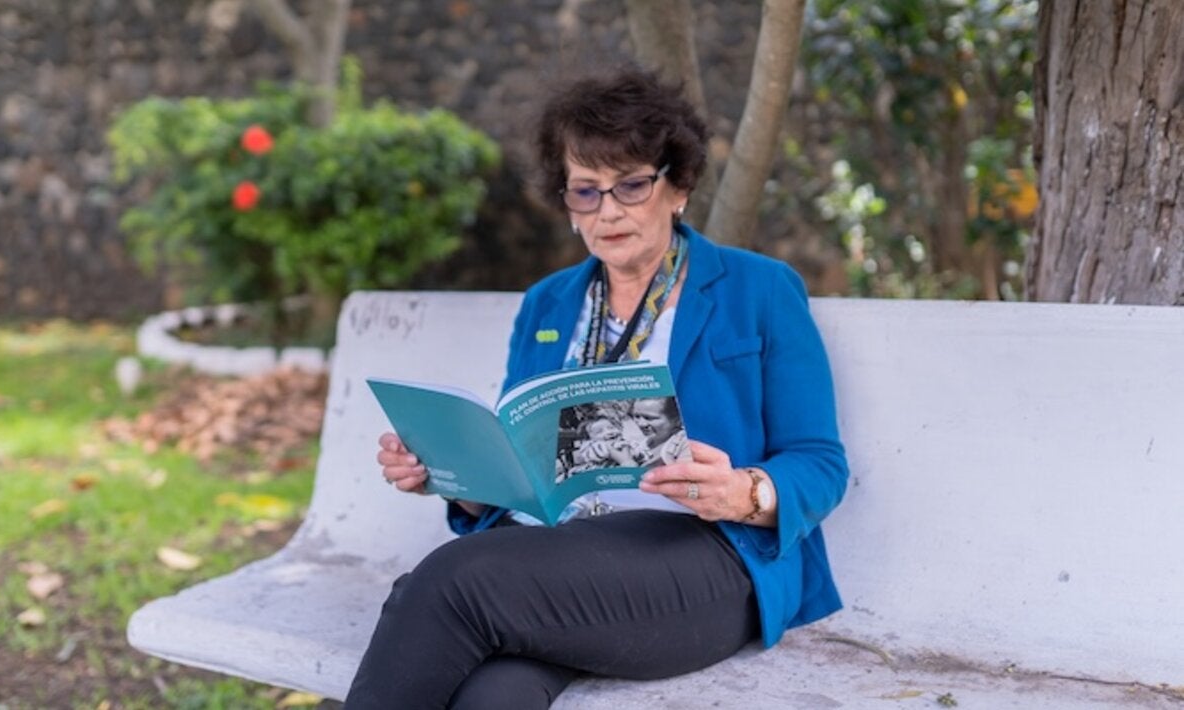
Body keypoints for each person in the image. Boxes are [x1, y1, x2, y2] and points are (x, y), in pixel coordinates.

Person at [346, 67, 848, 709]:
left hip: (702, 558)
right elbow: (522, 467)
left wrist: (745, 492)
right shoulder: (548, 303)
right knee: (493, 696)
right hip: (555, 553)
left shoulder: (760, 290)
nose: (608, 211)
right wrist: (450, 473)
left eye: (631, 186)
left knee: (446, 583)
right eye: (586, 192)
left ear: (680, 186)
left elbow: (821, 462)